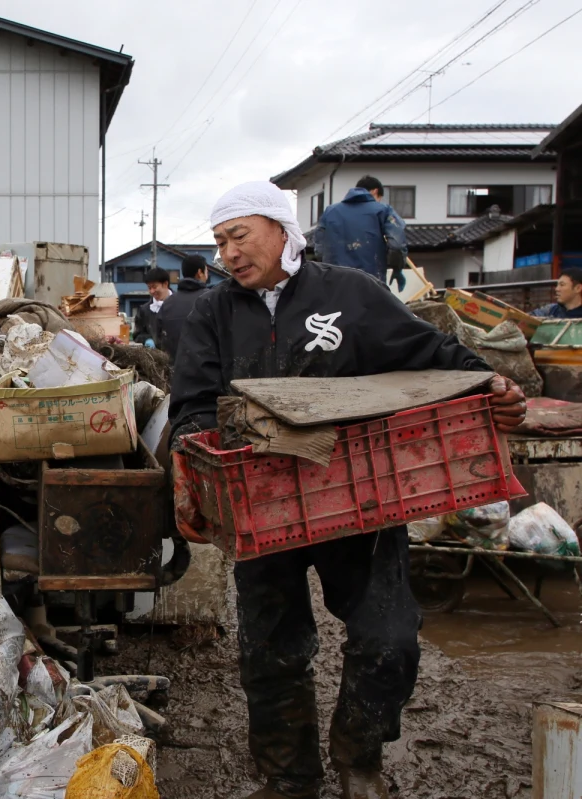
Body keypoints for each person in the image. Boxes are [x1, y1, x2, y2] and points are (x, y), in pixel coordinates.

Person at [168, 180, 526, 799]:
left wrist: (491, 386)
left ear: (282, 230)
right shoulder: (213, 311)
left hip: (357, 494)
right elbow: (193, 405)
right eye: (220, 241)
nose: (228, 253)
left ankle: (360, 759)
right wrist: (199, 461)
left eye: (239, 236)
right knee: (271, 649)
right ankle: (289, 779)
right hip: (260, 504)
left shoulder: (349, 293)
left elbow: (431, 355)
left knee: (388, 636)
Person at [312, 176, 409, 289]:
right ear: (375, 191)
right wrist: (397, 267)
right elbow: (396, 245)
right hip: (371, 283)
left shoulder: (330, 212)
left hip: (335, 284)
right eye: (379, 198)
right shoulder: (383, 210)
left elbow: (319, 250)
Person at [156, 253, 210, 364]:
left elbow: (158, 339)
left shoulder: (167, 303)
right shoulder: (211, 299)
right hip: (206, 371)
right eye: (206, 271)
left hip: (174, 371)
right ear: (200, 273)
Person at [132, 266, 172, 346]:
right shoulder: (144, 310)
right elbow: (137, 334)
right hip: (154, 355)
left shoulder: (179, 304)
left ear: (165, 284)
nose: (152, 291)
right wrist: (148, 339)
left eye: (154, 287)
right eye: (149, 288)